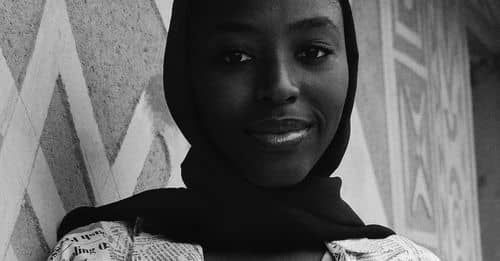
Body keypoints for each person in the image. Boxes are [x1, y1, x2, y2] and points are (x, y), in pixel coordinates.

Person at [49, 0, 441, 260]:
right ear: (189, 79)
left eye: (313, 52)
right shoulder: (105, 253)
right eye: (236, 56)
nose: (280, 86)